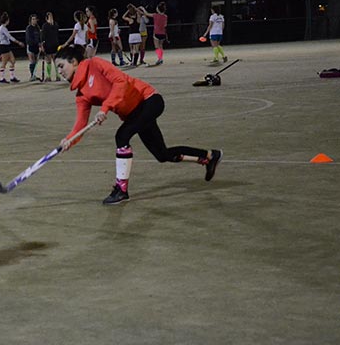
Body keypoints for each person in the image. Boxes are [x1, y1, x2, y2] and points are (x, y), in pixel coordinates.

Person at [55, 44, 223, 205]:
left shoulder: (95, 64)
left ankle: (121, 189)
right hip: (134, 114)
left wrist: (105, 108)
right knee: (162, 155)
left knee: (122, 136)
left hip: (149, 100)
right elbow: (80, 124)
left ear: (74, 62)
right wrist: (69, 140)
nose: (60, 71)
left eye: (61, 66)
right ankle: (209, 157)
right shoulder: (81, 95)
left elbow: (120, 81)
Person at [0, 11, 24, 83]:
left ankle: (12, 77)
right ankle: (1, 78)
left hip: (7, 46)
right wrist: (18, 42)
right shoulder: (2, 28)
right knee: (4, 63)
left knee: (13, 61)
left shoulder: (4, 28)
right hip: (4, 46)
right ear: (6, 20)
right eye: (8, 20)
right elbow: (9, 37)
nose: (9, 21)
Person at [40, 11, 61, 81]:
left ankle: (58, 76)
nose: (51, 18)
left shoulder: (55, 24)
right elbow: (43, 37)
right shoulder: (45, 26)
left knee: (55, 61)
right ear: (46, 18)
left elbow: (56, 33)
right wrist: (42, 46)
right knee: (48, 61)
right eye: (49, 16)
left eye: (52, 16)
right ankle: (49, 76)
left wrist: (52, 24)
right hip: (48, 45)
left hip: (55, 44)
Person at [25, 14, 42, 81]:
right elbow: (29, 38)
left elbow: (39, 37)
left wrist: (40, 44)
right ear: (31, 20)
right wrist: (35, 43)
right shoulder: (29, 28)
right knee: (32, 61)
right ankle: (32, 75)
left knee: (35, 62)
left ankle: (34, 75)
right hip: (31, 46)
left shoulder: (37, 28)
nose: (34, 21)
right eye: (33, 19)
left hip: (36, 47)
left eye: (35, 19)